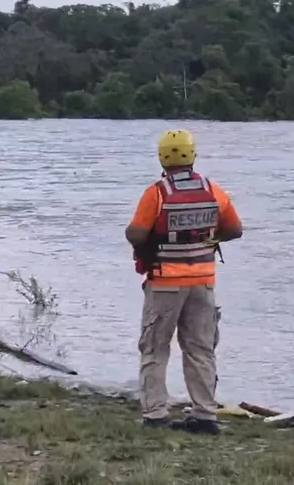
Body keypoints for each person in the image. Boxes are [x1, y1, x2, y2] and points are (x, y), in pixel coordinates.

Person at [125, 129, 243, 435]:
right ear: (192, 155)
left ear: (162, 157)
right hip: (203, 282)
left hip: (165, 282)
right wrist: (208, 237)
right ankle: (204, 414)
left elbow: (136, 233)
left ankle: (155, 413)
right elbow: (235, 229)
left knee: (154, 347)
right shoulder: (212, 190)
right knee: (201, 349)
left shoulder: (158, 193)